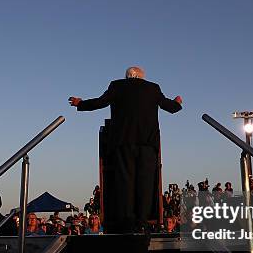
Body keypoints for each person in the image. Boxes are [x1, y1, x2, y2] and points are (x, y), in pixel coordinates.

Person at [69, 66, 182, 233]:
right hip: (147, 143)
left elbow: (100, 102)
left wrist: (81, 103)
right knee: (145, 182)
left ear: (127, 76)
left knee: (125, 182)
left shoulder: (116, 86)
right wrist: (177, 103)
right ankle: (142, 221)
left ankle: (127, 221)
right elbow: (169, 107)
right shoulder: (153, 88)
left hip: (123, 142)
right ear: (142, 77)